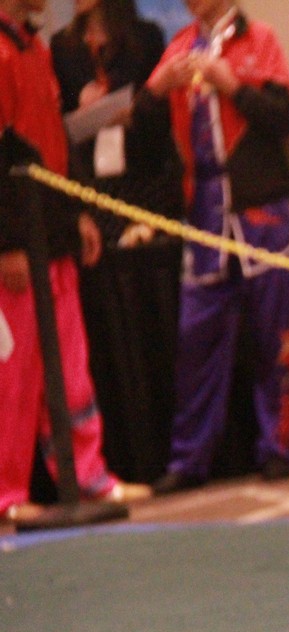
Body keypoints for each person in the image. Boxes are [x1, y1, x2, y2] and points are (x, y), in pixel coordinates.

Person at [137, 0, 289, 494]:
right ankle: (189, 459)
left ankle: (277, 448)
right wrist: (155, 91)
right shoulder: (179, 47)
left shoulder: (260, 40)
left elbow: (283, 120)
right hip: (204, 211)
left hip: (260, 209)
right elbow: (143, 134)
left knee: (273, 338)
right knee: (196, 341)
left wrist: (233, 86)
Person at [0, 0, 150, 523]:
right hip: (18, 241)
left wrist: (79, 212)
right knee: (15, 375)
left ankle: (87, 474)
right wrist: (7, 245)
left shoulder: (34, 49)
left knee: (70, 364)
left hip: (53, 231)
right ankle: (6, 493)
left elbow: (55, 143)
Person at [51, 0, 183, 484]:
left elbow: (159, 115)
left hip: (143, 183)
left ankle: (166, 447)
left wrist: (125, 109)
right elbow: (56, 128)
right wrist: (87, 112)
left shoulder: (145, 38)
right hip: (92, 188)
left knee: (153, 305)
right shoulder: (62, 48)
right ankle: (121, 453)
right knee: (104, 316)